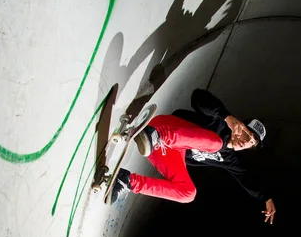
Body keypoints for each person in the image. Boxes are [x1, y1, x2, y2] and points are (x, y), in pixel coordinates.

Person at [110, 89, 277, 224]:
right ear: (240, 126)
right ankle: (158, 135)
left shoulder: (231, 159)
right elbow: (197, 96)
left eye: (251, 142)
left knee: (188, 194)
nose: (246, 141)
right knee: (216, 143)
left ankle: (126, 180)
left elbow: (246, 177)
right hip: (161, 129)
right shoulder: (219, 122)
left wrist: (266, 198)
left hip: (164, 151)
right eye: (247, 134)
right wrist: (227, 117)